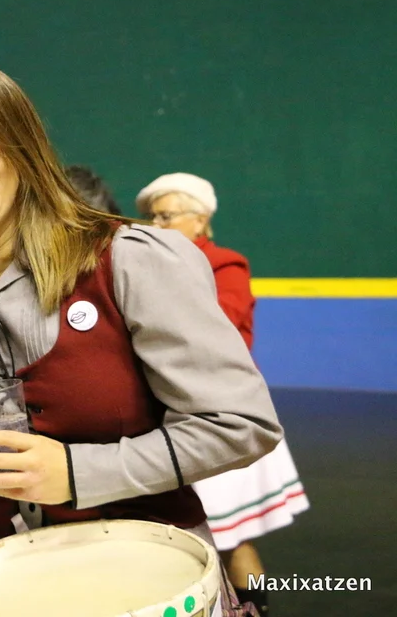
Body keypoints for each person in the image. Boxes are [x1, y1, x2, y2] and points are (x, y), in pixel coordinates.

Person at [0, 57, 283, 615]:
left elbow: (242, 424)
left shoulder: (129, 259)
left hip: (149, 583)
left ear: (23, 147)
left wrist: (77, 473)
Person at [136, 172, 309, 616]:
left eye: (166, 215)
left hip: (219, 418)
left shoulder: (225, 265)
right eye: (152, 216)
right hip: (166, 420)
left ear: (200, 220)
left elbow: (220, 328)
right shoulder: (144, 264)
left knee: (233, 537)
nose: (155, 224)